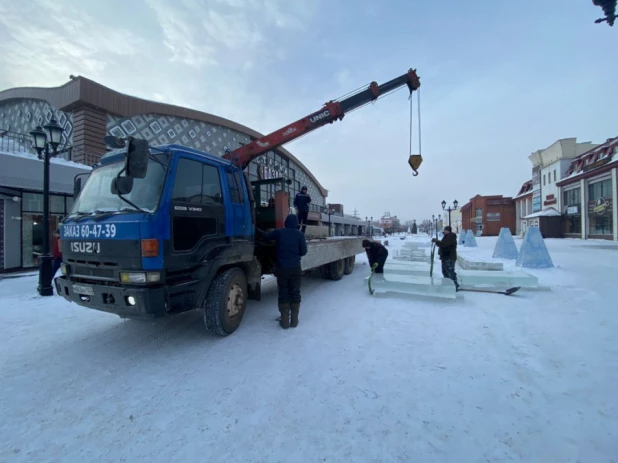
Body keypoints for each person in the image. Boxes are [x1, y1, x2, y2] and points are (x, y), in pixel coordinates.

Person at [257, 214, 308, 329]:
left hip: (282, 269)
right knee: (295, 292)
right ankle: (294, 321)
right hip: (295, 268)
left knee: (283, 292)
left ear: (286, 222)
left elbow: (265, 236)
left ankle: (284, 321)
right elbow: (304, 252)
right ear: (296, 224)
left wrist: (255, 228)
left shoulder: (279, 232)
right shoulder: (300, 235)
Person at [432, 225, 460, 291]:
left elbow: (443, 244)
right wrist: (437, 242)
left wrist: (436, 241)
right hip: (445, 257)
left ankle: (454, 286)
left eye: (447, 230)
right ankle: (448, 285)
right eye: (445, 230)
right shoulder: (446, 236)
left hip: (449, 257)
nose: (445, 231)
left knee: (450, 272)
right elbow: (442, 244)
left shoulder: (451, 236)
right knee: (445, 272)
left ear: (449, 231)